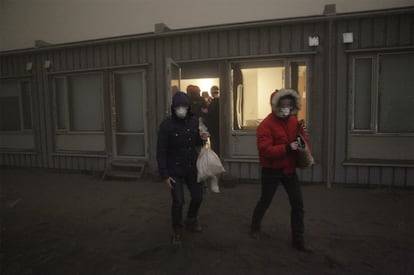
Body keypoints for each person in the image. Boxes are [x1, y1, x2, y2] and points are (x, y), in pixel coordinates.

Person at [249, 88, 313, 252]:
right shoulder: (265, 125)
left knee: (298, 204)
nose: (286, 108)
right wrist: (286, 148)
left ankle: (298, 240)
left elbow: (303, 139)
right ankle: (255, 227)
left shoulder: (293, 122)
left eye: (289, 105)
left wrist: (305, 147)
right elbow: (265, 150)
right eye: (283, 105)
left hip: (289, 170)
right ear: (275, 105)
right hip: (271, 171)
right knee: (265, 200)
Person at [156, 91, 208, 244]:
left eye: (183, 106)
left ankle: (191, 219)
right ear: (173, 108)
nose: (181, 109)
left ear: (188, 107)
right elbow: (161, 151)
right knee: (178, 201)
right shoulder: (166, 125)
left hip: (192, 167)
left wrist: (202, 138)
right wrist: (165, 175)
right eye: (178, 106)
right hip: (174, 170)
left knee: (198, 196)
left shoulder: (193, 121)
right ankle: (177, 228)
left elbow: (195, 142)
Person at [206, 85, 220, 155]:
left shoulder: (214, 102)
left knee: (215, 147)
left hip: (213, 128)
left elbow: (210, 114)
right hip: (219, 127)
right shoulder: (221, 101)